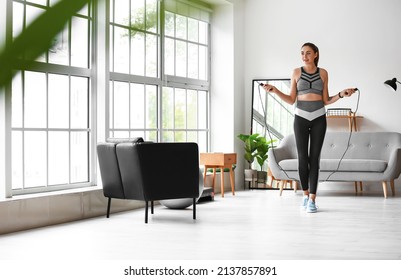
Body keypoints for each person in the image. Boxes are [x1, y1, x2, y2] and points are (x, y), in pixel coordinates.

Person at [262, 42, 356, 213]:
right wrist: (275, 90)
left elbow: (326, 100)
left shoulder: (324, 73)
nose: (304, 56)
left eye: (307, 53)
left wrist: (342, 94)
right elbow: (291, 100)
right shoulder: (296, 73)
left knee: (315, 159)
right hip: (301, 118)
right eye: (302, 53)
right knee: (302, 158)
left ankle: (312, 199)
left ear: (315, 54)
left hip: (319, 117)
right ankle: (305, 195)